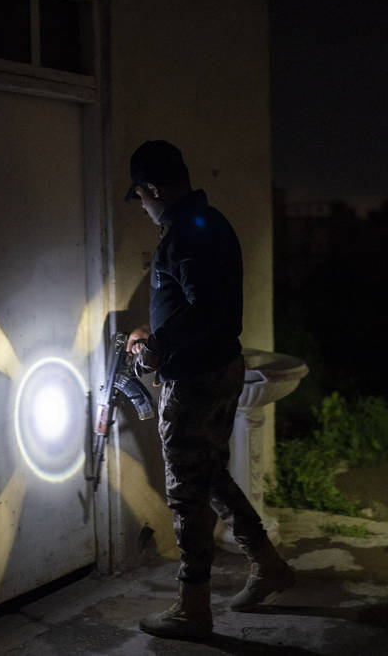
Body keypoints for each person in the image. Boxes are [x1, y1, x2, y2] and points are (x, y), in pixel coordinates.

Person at [125, 140, 294, 640]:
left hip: (194, 378)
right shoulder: (210, 222)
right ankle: (268, 566)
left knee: (185, 493)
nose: (144, 208)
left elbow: (204, 311)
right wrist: (151, 333)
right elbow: (201, 307)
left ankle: (192, 607)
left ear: (153, 188)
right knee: (212, 475)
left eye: (141, 196)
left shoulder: (183, 234)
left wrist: (156, 343)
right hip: (218, 369)